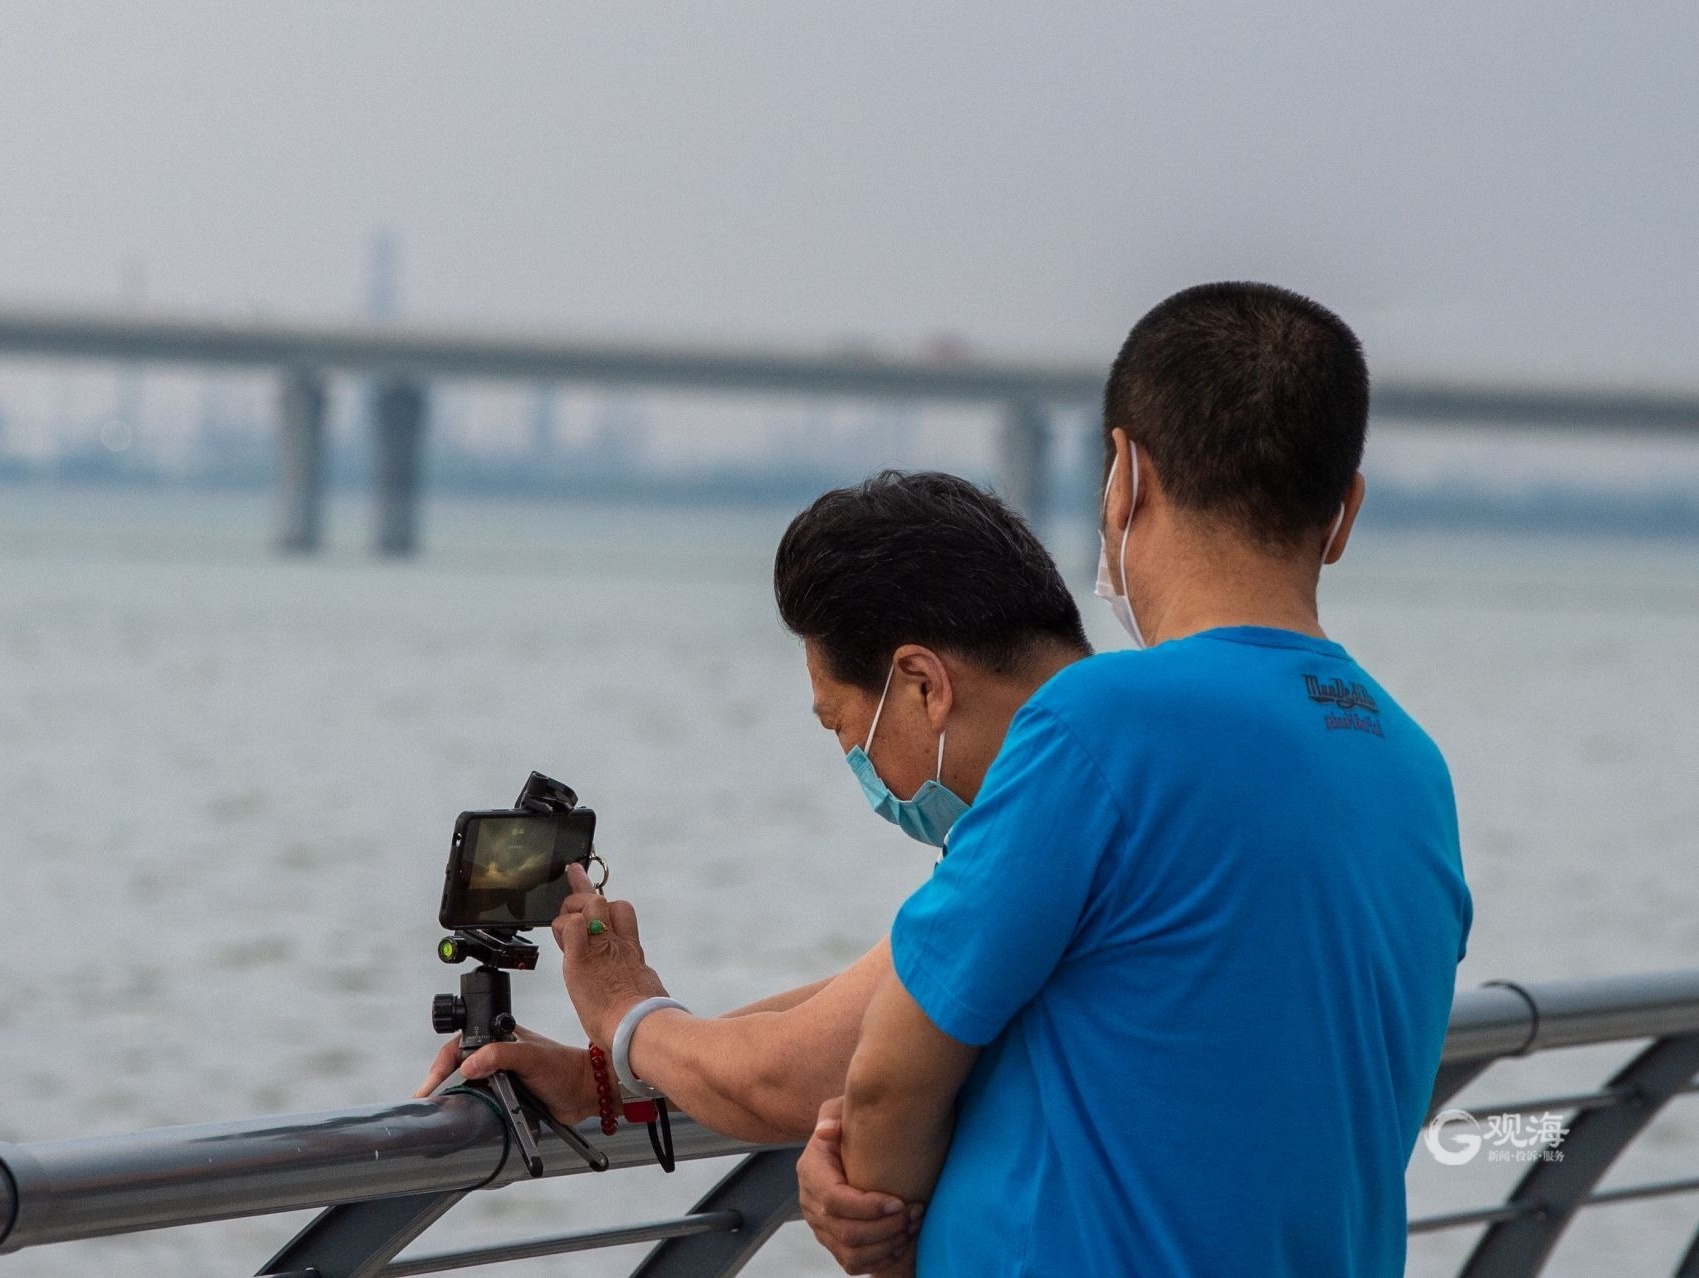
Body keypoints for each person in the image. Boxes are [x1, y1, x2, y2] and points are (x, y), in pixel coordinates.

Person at [806, 282, 1473, 1276]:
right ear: (1344, 516)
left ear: (1124, 476)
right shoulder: (1414, 765)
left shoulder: (1096, 724)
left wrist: (876, 1218)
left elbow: (892, 1079)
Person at [415, 471, 1092, 1261]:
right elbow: (873, 1001)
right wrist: (607, 1074)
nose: (855, 760)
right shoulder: (1118, 756)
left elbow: (794, 1075)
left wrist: (624, 1013)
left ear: (922, 684)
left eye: (842, 725)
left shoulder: (1056, 797)